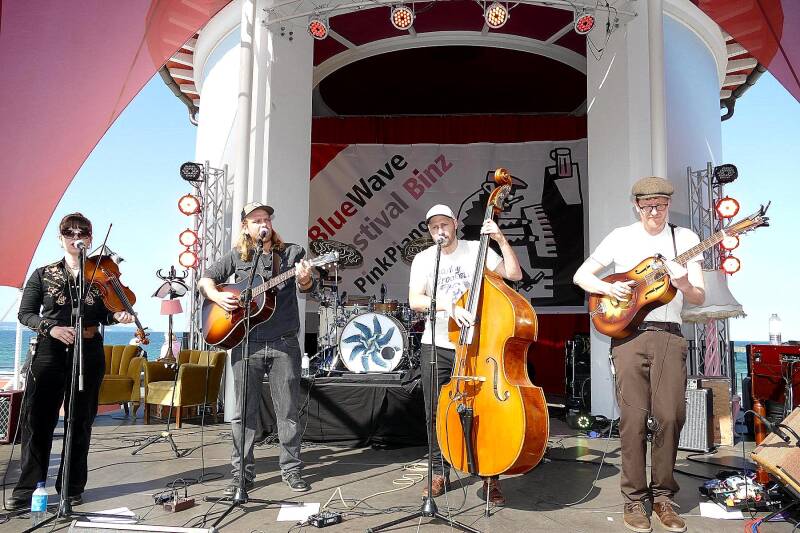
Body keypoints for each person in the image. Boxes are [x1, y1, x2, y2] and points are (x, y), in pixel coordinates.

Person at [573, 177, 705, 533]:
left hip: (669, 336)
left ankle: (663, 497)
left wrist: (682, 283)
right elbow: (582, 275)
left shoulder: (686, 240)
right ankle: (634, 499)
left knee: (671, 416)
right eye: (647, 206)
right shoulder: (620, 236)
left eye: (661, 205)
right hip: (629, 338)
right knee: (633, 420)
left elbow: (698, 297)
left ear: (668, 205)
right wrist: (608, 286)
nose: (654, 212)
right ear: (636, 206)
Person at [4, 213, 134, 511]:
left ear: (90, 237)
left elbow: (105, 314)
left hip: (88, 351)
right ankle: (27, 488)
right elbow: (25, 314)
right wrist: (51, 328)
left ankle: (71, 487)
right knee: (38, 422)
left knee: (80, 421)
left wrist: (117, 315)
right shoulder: (43, 273)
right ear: (60, 237)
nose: (75, 235)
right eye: (69, 231)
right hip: (50, 351)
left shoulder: (100, 273)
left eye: (82, 231)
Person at [408, 204, 523, 506]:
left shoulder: (476, 250)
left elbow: (513, 274)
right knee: (435, 411)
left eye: (444, 225)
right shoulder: (424, 259)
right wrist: (450, 306)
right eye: (434, 227)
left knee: (486, 411)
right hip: (438, 344)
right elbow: (415, 300)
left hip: (478, 346)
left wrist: (499, 239)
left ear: (455, 224)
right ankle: (438, 471)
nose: (439, 231)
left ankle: (490, 475)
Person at [198, 202, 316, 496]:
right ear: (246, 227)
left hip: (284, 342)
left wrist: (304, 278)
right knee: (242, 414)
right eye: (256, 220)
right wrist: (218, 296)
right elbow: (205, 280)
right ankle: (241, 476)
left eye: (266, 219)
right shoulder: (236, 257)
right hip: (245, 342)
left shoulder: (291, 253)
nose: (263, 223)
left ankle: (291, 470)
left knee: (287, 411)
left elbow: (306, 287)